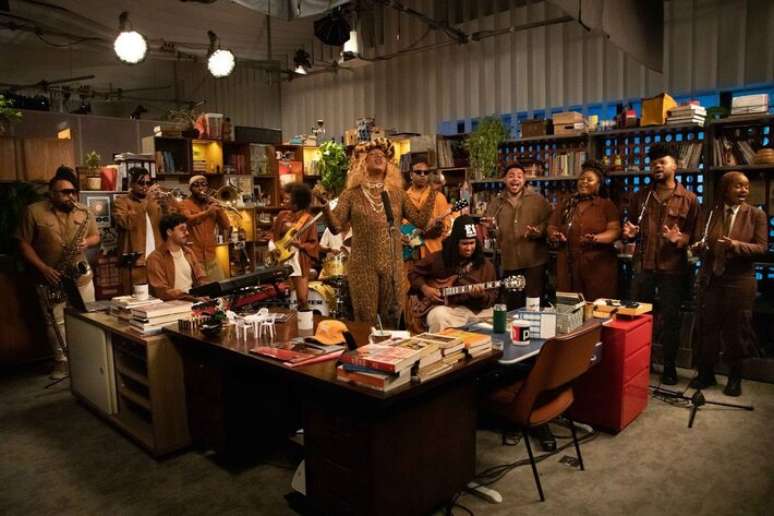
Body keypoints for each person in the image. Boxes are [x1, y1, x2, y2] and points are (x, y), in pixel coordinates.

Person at [320, 137, 435, 328]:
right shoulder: (351, 194)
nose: (378, 157)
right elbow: (336, 226)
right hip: (362, 266)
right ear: (362, 163)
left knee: (391, 320)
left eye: (382, 155)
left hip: (393, 266)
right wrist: (325, 208)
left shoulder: (398, 193)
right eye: (372, 154)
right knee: (366, 321)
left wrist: (433, 192)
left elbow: (421, 221)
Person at [622, 142, 701, 385]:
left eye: (662, 162)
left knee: (671, 319)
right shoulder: (641, 197)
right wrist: (629, 234)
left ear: (675, 166)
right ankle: (641, 363)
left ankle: (669, 367)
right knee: (639, 318)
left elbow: (696, 238)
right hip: (643, 266)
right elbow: (630, 229)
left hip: (673, 269)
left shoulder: (689, 199)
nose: (657, 166)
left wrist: (681, 239)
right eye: (654, 163)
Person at [15, 166, 100, 379]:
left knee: (87, 316)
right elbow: (23, 244)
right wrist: (43, 269)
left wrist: (86, 242)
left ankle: (86, 359)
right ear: (52, 193)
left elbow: (96, 236)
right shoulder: (33, 211)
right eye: (65, 192)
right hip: (50, 276)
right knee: (55, 321)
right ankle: (61, 362)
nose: (71, 196)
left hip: (80, 276)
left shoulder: (84, 211)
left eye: (73, 192)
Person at [690, 172, 767, 396]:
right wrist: (697, 247)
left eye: (746, 186)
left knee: (737, 329)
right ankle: (706, 373)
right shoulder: (710, 213)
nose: (744, 190)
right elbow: (701, 240)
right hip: (711, 279)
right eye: (738, 186)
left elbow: (761, 248)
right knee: (707, 327)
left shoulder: (756, 214)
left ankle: (735, 377)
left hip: (739, 280)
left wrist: (735, 245)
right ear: (725, 189)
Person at [408, 216, 497, 332]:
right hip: (448, 310)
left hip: (476, 312)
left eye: (472, 243)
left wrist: (481, 296)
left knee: (497, 318)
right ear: (455, 243)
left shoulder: (486, 266)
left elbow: (492, 296)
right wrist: (425, 288)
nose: (469, 248)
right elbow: (413, 272)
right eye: (464, 244)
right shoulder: (438, 259)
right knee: (437, 317)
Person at [482, 162, 552, 310]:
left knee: (533, 304)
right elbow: (493, 232)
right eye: (511, 176)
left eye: (519, 176)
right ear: (504, 179)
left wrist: (538, 231)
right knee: (513, 305)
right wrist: (491, 228)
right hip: (510, 262)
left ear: (524, 180)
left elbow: (550, 223)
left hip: (534, 261)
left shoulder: (538, 200)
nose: (515, 179)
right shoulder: (496, 203)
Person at [548, 160, 621, 300]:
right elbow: (552, 226)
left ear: (598, 184)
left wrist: (597, 238)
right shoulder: (566, 203)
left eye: (589, 180)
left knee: (596, 305)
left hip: (597, 266)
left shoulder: (606, 205)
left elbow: (615, 231)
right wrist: (554, 234)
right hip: (568, 264)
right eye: (581, 179)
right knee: (569, 304)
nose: (584, 182)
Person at [113, 167, 172, 289]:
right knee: (137, 296)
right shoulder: (121, 201)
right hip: (136, 262)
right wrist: (146, 201)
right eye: (141, 183)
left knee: (160, 295)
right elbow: (126, 223)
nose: (145, 186)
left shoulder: (155, 201)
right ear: (131, 184)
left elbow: (168, 224)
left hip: (157, 259)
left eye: (148, 183)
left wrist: (166, 205)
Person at [269, 182, 318, 310]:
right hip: (282, 258)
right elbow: (273, 235)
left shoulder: (309, 219)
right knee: (285, 297)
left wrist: (300, 245)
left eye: (287, 199)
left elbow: (313, 244)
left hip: (299, 261)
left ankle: (305, 320)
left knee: (302, 299)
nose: (283, 201)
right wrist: (273, 248)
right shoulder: (282, 216)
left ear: (297, 201)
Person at [177, 175, 232, 281]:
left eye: (204, 185)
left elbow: (226, 225)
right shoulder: (184, 204)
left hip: (212, 257)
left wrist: (219, 208)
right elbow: (188, 220)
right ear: (190, 189)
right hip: (193, 258)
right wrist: (207, 212)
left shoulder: (211, 204)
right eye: (196, 186)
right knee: (200, 289)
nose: (200, 188)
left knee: (221, 287)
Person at [146, 213, 208, 301]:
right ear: (169, 232)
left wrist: (207, 289)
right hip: (173, 305)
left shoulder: (188, 252)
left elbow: (200, 276)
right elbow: (162, 292)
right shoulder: (155, 258)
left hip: (194, 300)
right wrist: (190, 297)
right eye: (182, 229)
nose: (187, 233)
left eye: (186, 229)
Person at [403, 155, 449, 261]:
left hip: (433, 251)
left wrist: (438, 227)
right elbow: (398, 225)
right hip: (409, 253)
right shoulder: (403, 197)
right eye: (418, 172)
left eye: (426, 172)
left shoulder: (438, 197)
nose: (422, 175)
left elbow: (446, 226)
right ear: (411, 174)